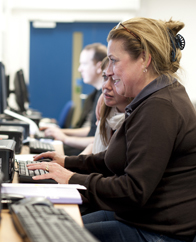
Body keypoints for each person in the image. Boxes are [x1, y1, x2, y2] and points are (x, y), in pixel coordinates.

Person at [27, 17, 196, 242]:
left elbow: (133, 190)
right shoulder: (151, 99)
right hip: (138, 217)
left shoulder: (160, 107)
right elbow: (115, 159)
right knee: (50, 222)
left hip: (156, 232)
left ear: (144, 59)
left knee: (48, 234)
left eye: (114, 60)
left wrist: (71, 178)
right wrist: (66, 162)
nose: (108, 69)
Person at [43, 43, 107, 155]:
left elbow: (100, 140)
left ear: (99, 67)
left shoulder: (107, 98)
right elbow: (92, 131)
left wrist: (64, 137)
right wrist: (60, 132)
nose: (79, 69)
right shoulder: (95, 95)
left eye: (84, 64)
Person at [81, 56, 131, 155]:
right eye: (105, 77)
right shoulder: (107, 110)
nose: (106, 86)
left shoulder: (136, 117)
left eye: (115, 79)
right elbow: (95, 143)